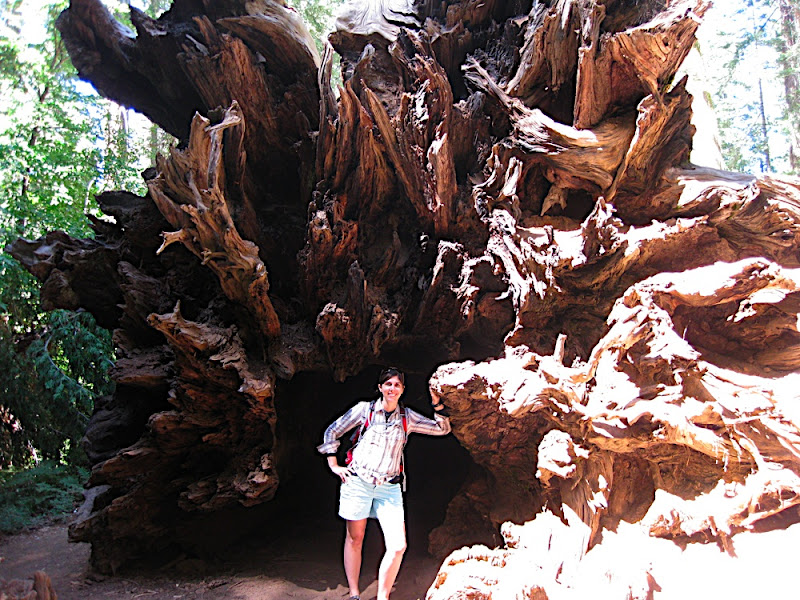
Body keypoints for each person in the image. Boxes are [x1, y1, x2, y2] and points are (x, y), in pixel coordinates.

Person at [317, 367, 451, 600]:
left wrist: (437, 404)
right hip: (358, 482)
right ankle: (355, 594)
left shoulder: (407, 417)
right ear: (380, 387)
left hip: (389, 487)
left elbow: (442, 429)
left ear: (402, 389)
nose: (392, 388)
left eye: (397, 385)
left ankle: (382, 597)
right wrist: (333, 464)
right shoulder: (364, 410)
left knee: (398, 546)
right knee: (355, 538)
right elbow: (332, 431)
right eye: (388, 384)